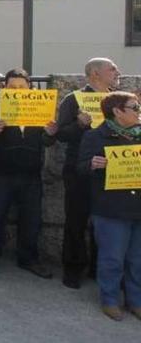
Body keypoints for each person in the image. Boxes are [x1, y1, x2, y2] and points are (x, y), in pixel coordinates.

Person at [0, 68, 56, 279]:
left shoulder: (41, 108)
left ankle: (28, 258)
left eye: (22, 87)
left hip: (31, 174)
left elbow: (47, 141)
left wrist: (50, 134)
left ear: (29, 87)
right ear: (4, 88)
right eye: (12, 87)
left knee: (32, 220)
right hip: (0, 173)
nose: (18, 91)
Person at [56, 57, 121, 289]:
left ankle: (97, 268)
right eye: (111, 69)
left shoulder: (118, 100)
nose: (117, 72)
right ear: (94, 74)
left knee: (104, 222)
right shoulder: (73, 100)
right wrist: (80, 125)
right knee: (76, 220)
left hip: (111, 170)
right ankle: (73, 270)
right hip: (79, 169)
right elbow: (61, 134)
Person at [77, 91, 141, 321]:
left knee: (138, 259)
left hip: (138, 206)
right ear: (117, 112)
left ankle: (136, 301)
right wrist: (93, 164)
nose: (139, 111)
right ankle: (110, 300)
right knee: (112, 258)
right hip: (111, 208)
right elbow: (80, 167)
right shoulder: (95, 137)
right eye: (135, 107)